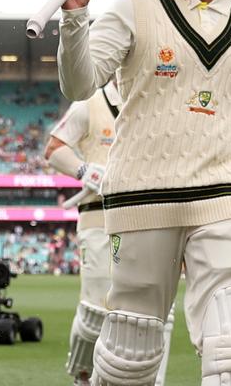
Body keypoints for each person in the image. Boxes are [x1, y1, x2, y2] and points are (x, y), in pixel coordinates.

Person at [55, 0, 231, 386]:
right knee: (132, 351)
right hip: (142, 194)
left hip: (227, 194)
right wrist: (75, 20)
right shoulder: (134, 6)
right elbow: (79, 85)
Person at [47, 81, 177, 386]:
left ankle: (152, 381)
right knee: (95, 313)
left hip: (149, 217)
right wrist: (86, 171)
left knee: (158, 313)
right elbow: (53, 149)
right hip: (99, 217)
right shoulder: (89, 105)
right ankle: (83, 374)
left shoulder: (158, 101)